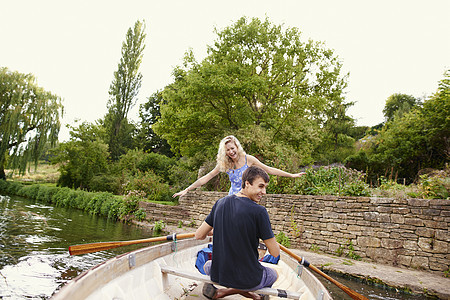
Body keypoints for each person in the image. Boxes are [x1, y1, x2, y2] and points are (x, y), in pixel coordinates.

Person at [195, 166, 280, 300]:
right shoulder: (259, 212)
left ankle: (223, 292)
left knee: (207, 265)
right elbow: (275, 252)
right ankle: (256, 296)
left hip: (218, 274)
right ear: (247, 183)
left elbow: (199, 235)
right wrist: (271, 239)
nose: (264, 192)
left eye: (265, 187)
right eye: (260, 186)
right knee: (274, 274)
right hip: (248, 279)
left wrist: (222, 229)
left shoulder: (220, 203)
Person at [173, 135, 305, 197]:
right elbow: (206, 178)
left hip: (248, 196)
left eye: (232, 148)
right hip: (233, 197)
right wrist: (187, 189)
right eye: (227, 151)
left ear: (237, 146)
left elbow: (269, 169)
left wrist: (291, 175)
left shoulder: (249, 159)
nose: (231, 152)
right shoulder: (225, 164)